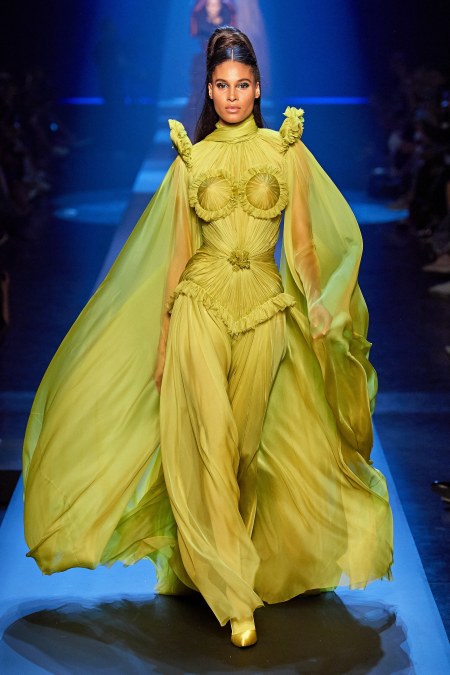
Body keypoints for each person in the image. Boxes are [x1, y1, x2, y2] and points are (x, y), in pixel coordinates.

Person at [22, 27, 394, 649]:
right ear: (210, 90)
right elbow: (176, 260)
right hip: (199, 307)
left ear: (258, 88)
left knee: (244, 452)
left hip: (266, 311)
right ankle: (234, 599)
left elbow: (304, 245)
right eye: (221, 85)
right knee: (211, 444)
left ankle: (218, 562)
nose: (232, 95)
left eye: (242, 85)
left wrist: (319, 304)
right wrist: (163, 343)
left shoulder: (286, 151)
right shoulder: (189, 161)